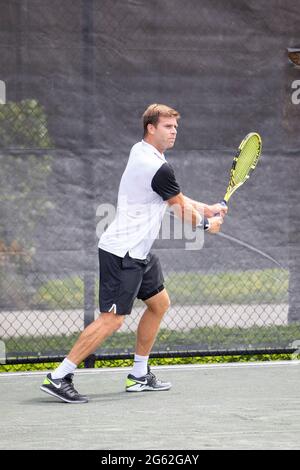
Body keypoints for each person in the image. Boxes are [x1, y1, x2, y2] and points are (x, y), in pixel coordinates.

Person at [40, 103, 227, 403]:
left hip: (140, 252)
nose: (174, 131)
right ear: (150, 128)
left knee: (159, 304)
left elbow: (173, 195)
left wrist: (206, 207)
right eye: (167, 126)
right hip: (123, 253)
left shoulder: (142, 152)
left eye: (176, 127)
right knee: (112, 320)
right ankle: (60, 376)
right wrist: (207, 224)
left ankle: (139, 375)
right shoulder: (156, 165)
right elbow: (179, 207)